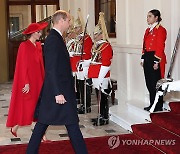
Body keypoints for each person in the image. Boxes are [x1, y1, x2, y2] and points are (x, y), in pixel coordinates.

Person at [26, 10, 88, 154]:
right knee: (67, 124)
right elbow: (51, 69)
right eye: (68, 21)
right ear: (61, 21)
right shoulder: (53, 39)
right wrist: (57, 92)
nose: (69, 24)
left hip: (59, 90)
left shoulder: (56, 38)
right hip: (58, 92)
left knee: (46, 123)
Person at [6, 22, 48, 139]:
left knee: (38, 106)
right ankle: (16, 127)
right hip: (29, 81)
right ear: (33, 33)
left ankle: (40, 134)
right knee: (29, 106)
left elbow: (41, 64)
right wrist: (25, 82)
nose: (40, 34)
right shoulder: (23, 46)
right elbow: (22, 65)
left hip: (38, 80)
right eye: (38, 32)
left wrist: (44, 80)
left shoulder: (39, 46)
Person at [81, 12, 113, 125]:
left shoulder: (106, 46)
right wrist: (85, 66)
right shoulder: (96, 46)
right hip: (94, 74)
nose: (94, 36)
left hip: (101, 75)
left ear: (101, 34)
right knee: (99, 97)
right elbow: (91, 60)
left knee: (104, 97)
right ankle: (100, 115)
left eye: (97, 34)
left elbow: (106, 63)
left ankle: (105, 117)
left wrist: (100, 77)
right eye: (94, 34)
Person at [141, 9, 167, 112]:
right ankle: (152, 104)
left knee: (155, 83)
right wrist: (143, 57)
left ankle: (158, 105)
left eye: (150, 16)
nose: (148, 18)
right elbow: (144, 45)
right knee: (149, 82)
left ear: (156, 18)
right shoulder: (148, 30)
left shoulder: (161, 30)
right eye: (147, 16)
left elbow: (160, 46)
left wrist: (156, 61)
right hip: (147, 56)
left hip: (155, 57)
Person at [73, 8, 93, 114]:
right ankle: (82, 103)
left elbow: (88, 52)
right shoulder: (78, 38)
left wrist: (83, 61)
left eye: (76, 27)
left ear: (81, 27)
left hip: (84, 64)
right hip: (78, 65)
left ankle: (87, 106)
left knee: (85, 86)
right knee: (80, 85)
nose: (75, 29)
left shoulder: (87, 38)